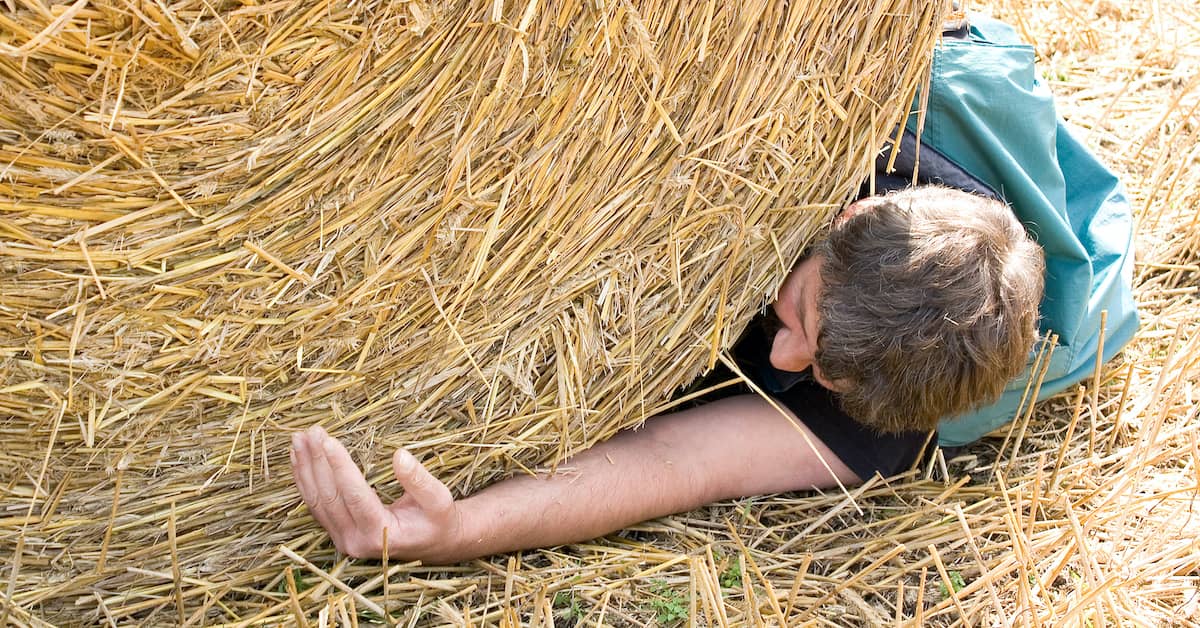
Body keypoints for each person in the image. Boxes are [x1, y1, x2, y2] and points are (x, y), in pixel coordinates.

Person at [289, 184, 1046, 565]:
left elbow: (674, 462)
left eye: (817, 372)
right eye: (804, 317)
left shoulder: (884, 419)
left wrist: (456, 529)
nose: (782, 360)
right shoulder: (840, 101)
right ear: (848, 217)